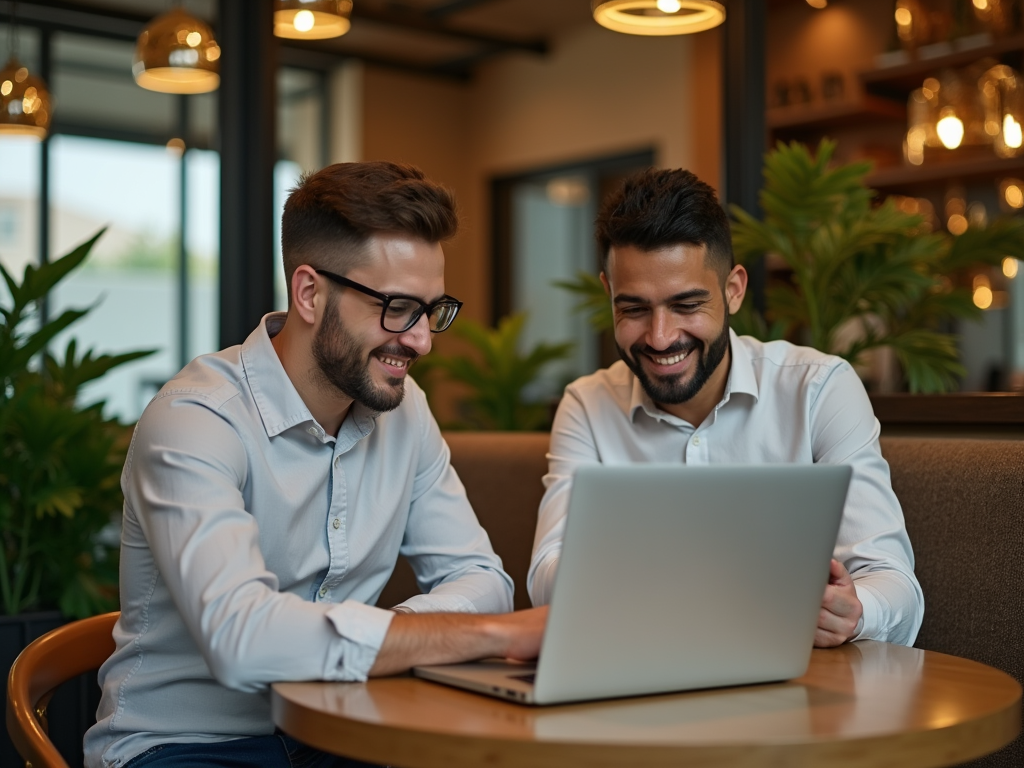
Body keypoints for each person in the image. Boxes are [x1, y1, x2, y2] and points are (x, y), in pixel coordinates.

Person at [85, 161, 546, 768]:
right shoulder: (196, 419)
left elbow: (483, 581)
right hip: (184, 745)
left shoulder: (406, 412)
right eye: (399, 307)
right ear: (309, 292)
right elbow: (242, 641)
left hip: (344, 729)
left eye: (432, 310)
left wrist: (377, 639)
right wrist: (480, 636)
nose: (422, 341)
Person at [528, 168, 923, 649]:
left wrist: (856, 613)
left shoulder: (819, 389)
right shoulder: (587, 405)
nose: (660, 336)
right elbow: (546, 578)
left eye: (686, 304)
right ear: (609, 292)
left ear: (733, 289)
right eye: (633, 309)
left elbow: (895, 584)